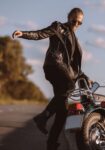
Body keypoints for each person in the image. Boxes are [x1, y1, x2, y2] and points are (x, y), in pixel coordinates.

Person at [12, 7, 91, 150]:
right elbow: (40, 34)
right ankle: (43, 117)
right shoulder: (58, 27)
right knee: (70, 88)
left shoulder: (75, 40)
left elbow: (73, 66)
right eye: (74, 21)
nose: (76, 25)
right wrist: (23, 33)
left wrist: (86, 77)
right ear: (68, 17)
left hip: (64, 71)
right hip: (54, 66)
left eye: (80, 23)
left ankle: (51, 144)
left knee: (62, 111)